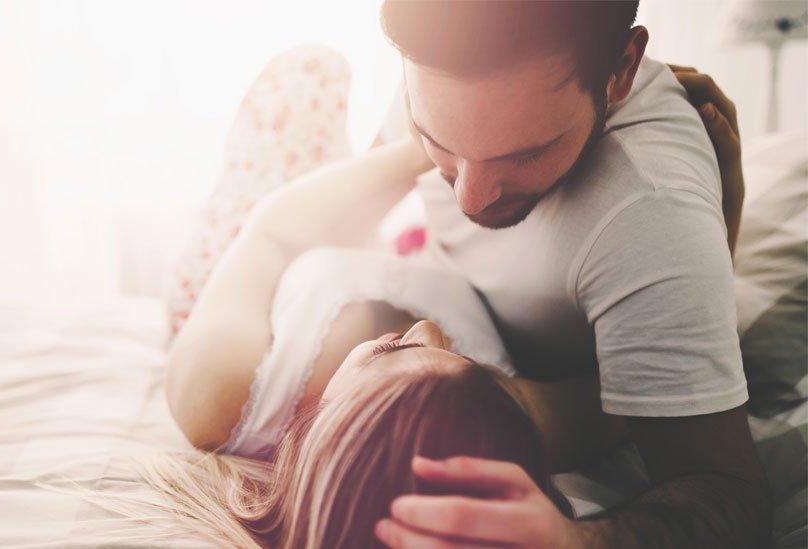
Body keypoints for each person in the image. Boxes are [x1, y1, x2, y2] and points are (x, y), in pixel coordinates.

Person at [161, 28, 758, 549]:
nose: (469, 202)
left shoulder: (219, 395)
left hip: (282, 254)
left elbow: (269, 233)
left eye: (524, 151)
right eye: (470, 364)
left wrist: (419, 151)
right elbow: (639, 400)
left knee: (303, 82)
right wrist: (723, 215)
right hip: (401, 253)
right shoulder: (492, 419)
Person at [373, 1, 767, 547]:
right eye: (437, 142)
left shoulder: (650, 215)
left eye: (525, 155)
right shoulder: (435, 57)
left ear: (622, 69)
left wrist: (579, 541)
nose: (470, 197)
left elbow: (727, 491)